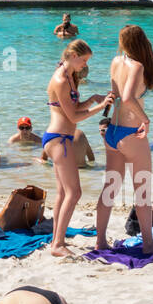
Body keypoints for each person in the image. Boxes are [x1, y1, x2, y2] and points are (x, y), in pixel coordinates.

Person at [43, 39, 113, 257]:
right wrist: (100, 107)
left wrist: (93, 99)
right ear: (73, 56)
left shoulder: (70, 78)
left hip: (61, 137)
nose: (84, 65)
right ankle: (57, 244)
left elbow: (73, 108)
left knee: (64, 192)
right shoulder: (61, 80)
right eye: (83, 60)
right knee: (75, 192)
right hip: (58, 139)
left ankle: (57, 240)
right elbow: (73, 116)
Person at [95, 25, 153, 254]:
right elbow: (130, 98)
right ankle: (148, 244)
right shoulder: (138, 66)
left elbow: (115, 96)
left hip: (112, 132)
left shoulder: (115, 62)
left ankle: (100, 241)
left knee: (109, 189)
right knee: (142, 190)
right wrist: (146, 120)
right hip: (132, 134)